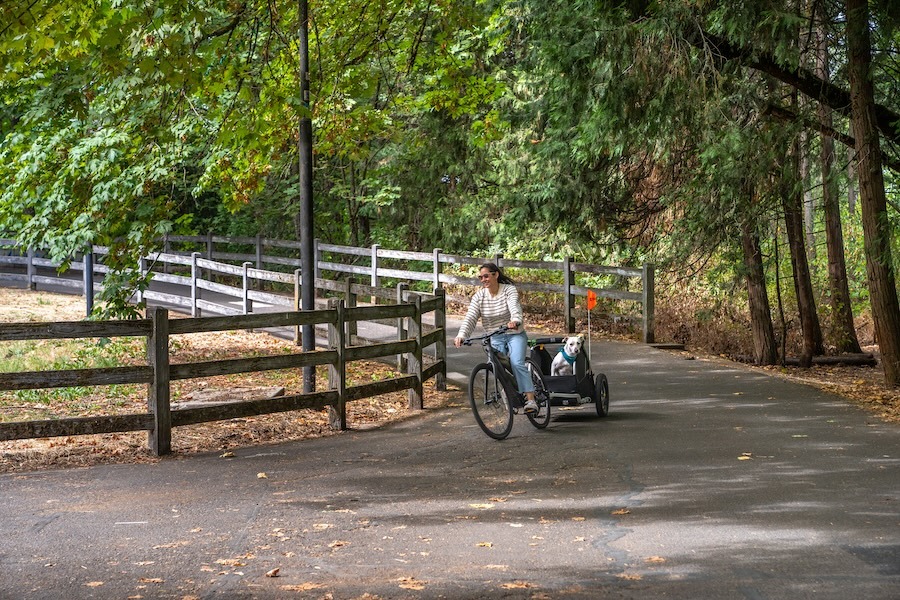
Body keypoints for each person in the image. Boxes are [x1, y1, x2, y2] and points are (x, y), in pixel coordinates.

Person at [454, 263, 538, 413]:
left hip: (514, 334)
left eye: (486, 276)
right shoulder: (479, 297)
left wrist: (515, 320)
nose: (483, 279)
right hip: (495, 336)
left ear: (496, 275)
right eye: (480, 277)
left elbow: (514, 307)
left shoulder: (508, 290)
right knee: (497, 368)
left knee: (516, 363)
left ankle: (531, 400)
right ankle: (511, 398)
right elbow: (471, 317)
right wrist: (462, 335)